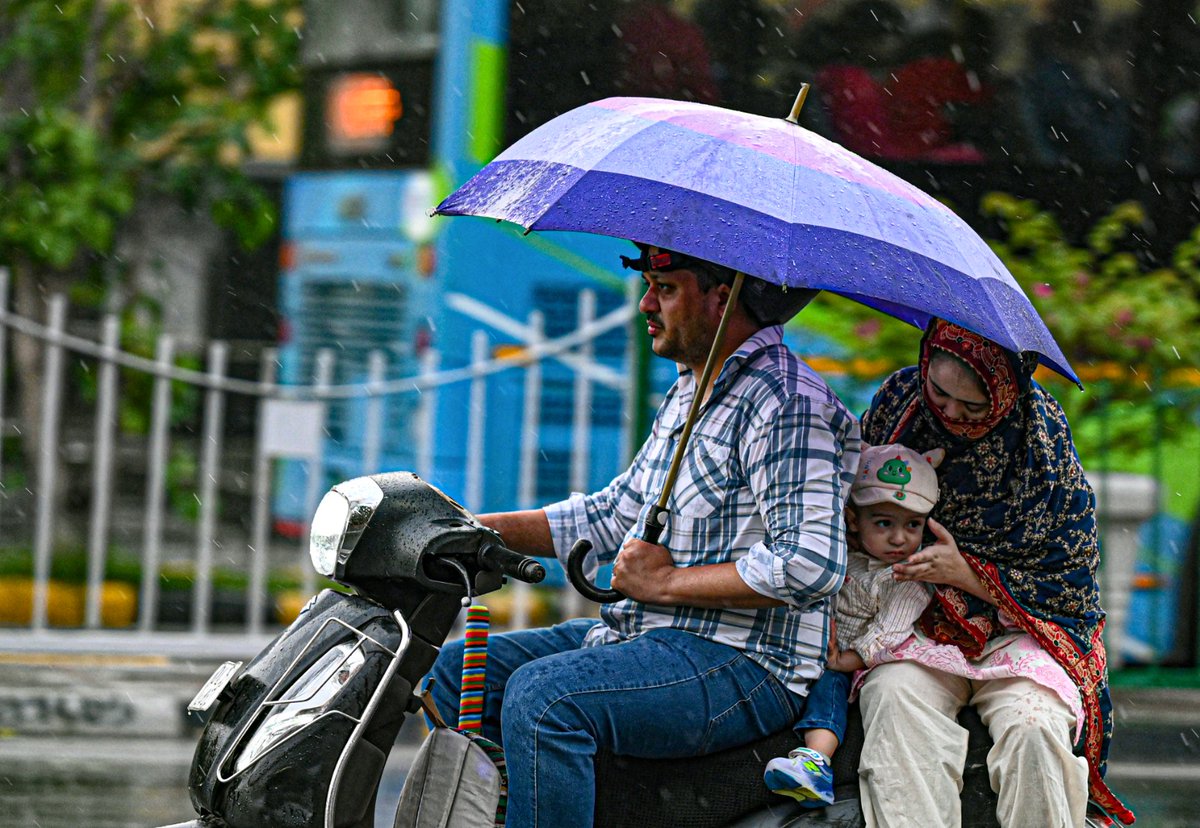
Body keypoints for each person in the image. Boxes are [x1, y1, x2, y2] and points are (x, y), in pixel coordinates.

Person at [425, 242, 861, 828]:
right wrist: (462, 528)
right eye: (649, 284)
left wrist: (667, 583)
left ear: (722, 294)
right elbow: (609, 516)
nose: (645, 304)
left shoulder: (786, 404)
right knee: (455, 675)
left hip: (746, 662)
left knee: (544, 699)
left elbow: (810, 563)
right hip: (652, 638)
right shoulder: (692, 391)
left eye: (666, 287)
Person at [854, 318, 1135, 827]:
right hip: (912, 624)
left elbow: (1069, 580)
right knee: (893, 701)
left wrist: (968, 574)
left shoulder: (1039, 442)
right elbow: (852, 507)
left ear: (1006, 394)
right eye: (939, 393)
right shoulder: (900, 404)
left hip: (1018, 632)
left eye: (974, 405)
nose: (951, 414)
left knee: (1037, 728)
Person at [763, 442, 945, 807]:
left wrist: (848, 659)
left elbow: (889, 633)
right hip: (811, 647)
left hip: (854, 662)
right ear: (851, 520)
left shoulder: (905, 579)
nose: (899, 538)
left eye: (913, 525)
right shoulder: (840, 554)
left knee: (829, 689)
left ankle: (816, 762)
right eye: (884, 523)